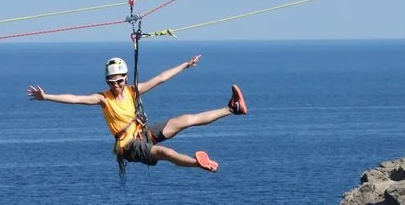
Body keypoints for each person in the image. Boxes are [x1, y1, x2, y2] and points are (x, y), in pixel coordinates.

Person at [26, 55, 247, 173]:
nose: (116, 85)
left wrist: (185, 65)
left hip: (142, 133)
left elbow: (160, 78)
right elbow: (75, 99)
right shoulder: (103, 99)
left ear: (125, 78)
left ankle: (232, 108)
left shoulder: (133, 91)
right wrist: (46, 97)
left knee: (186, 120)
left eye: (119, 81)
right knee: (165, 152)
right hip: (129, 147)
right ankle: (198, 164)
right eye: (111, 82)